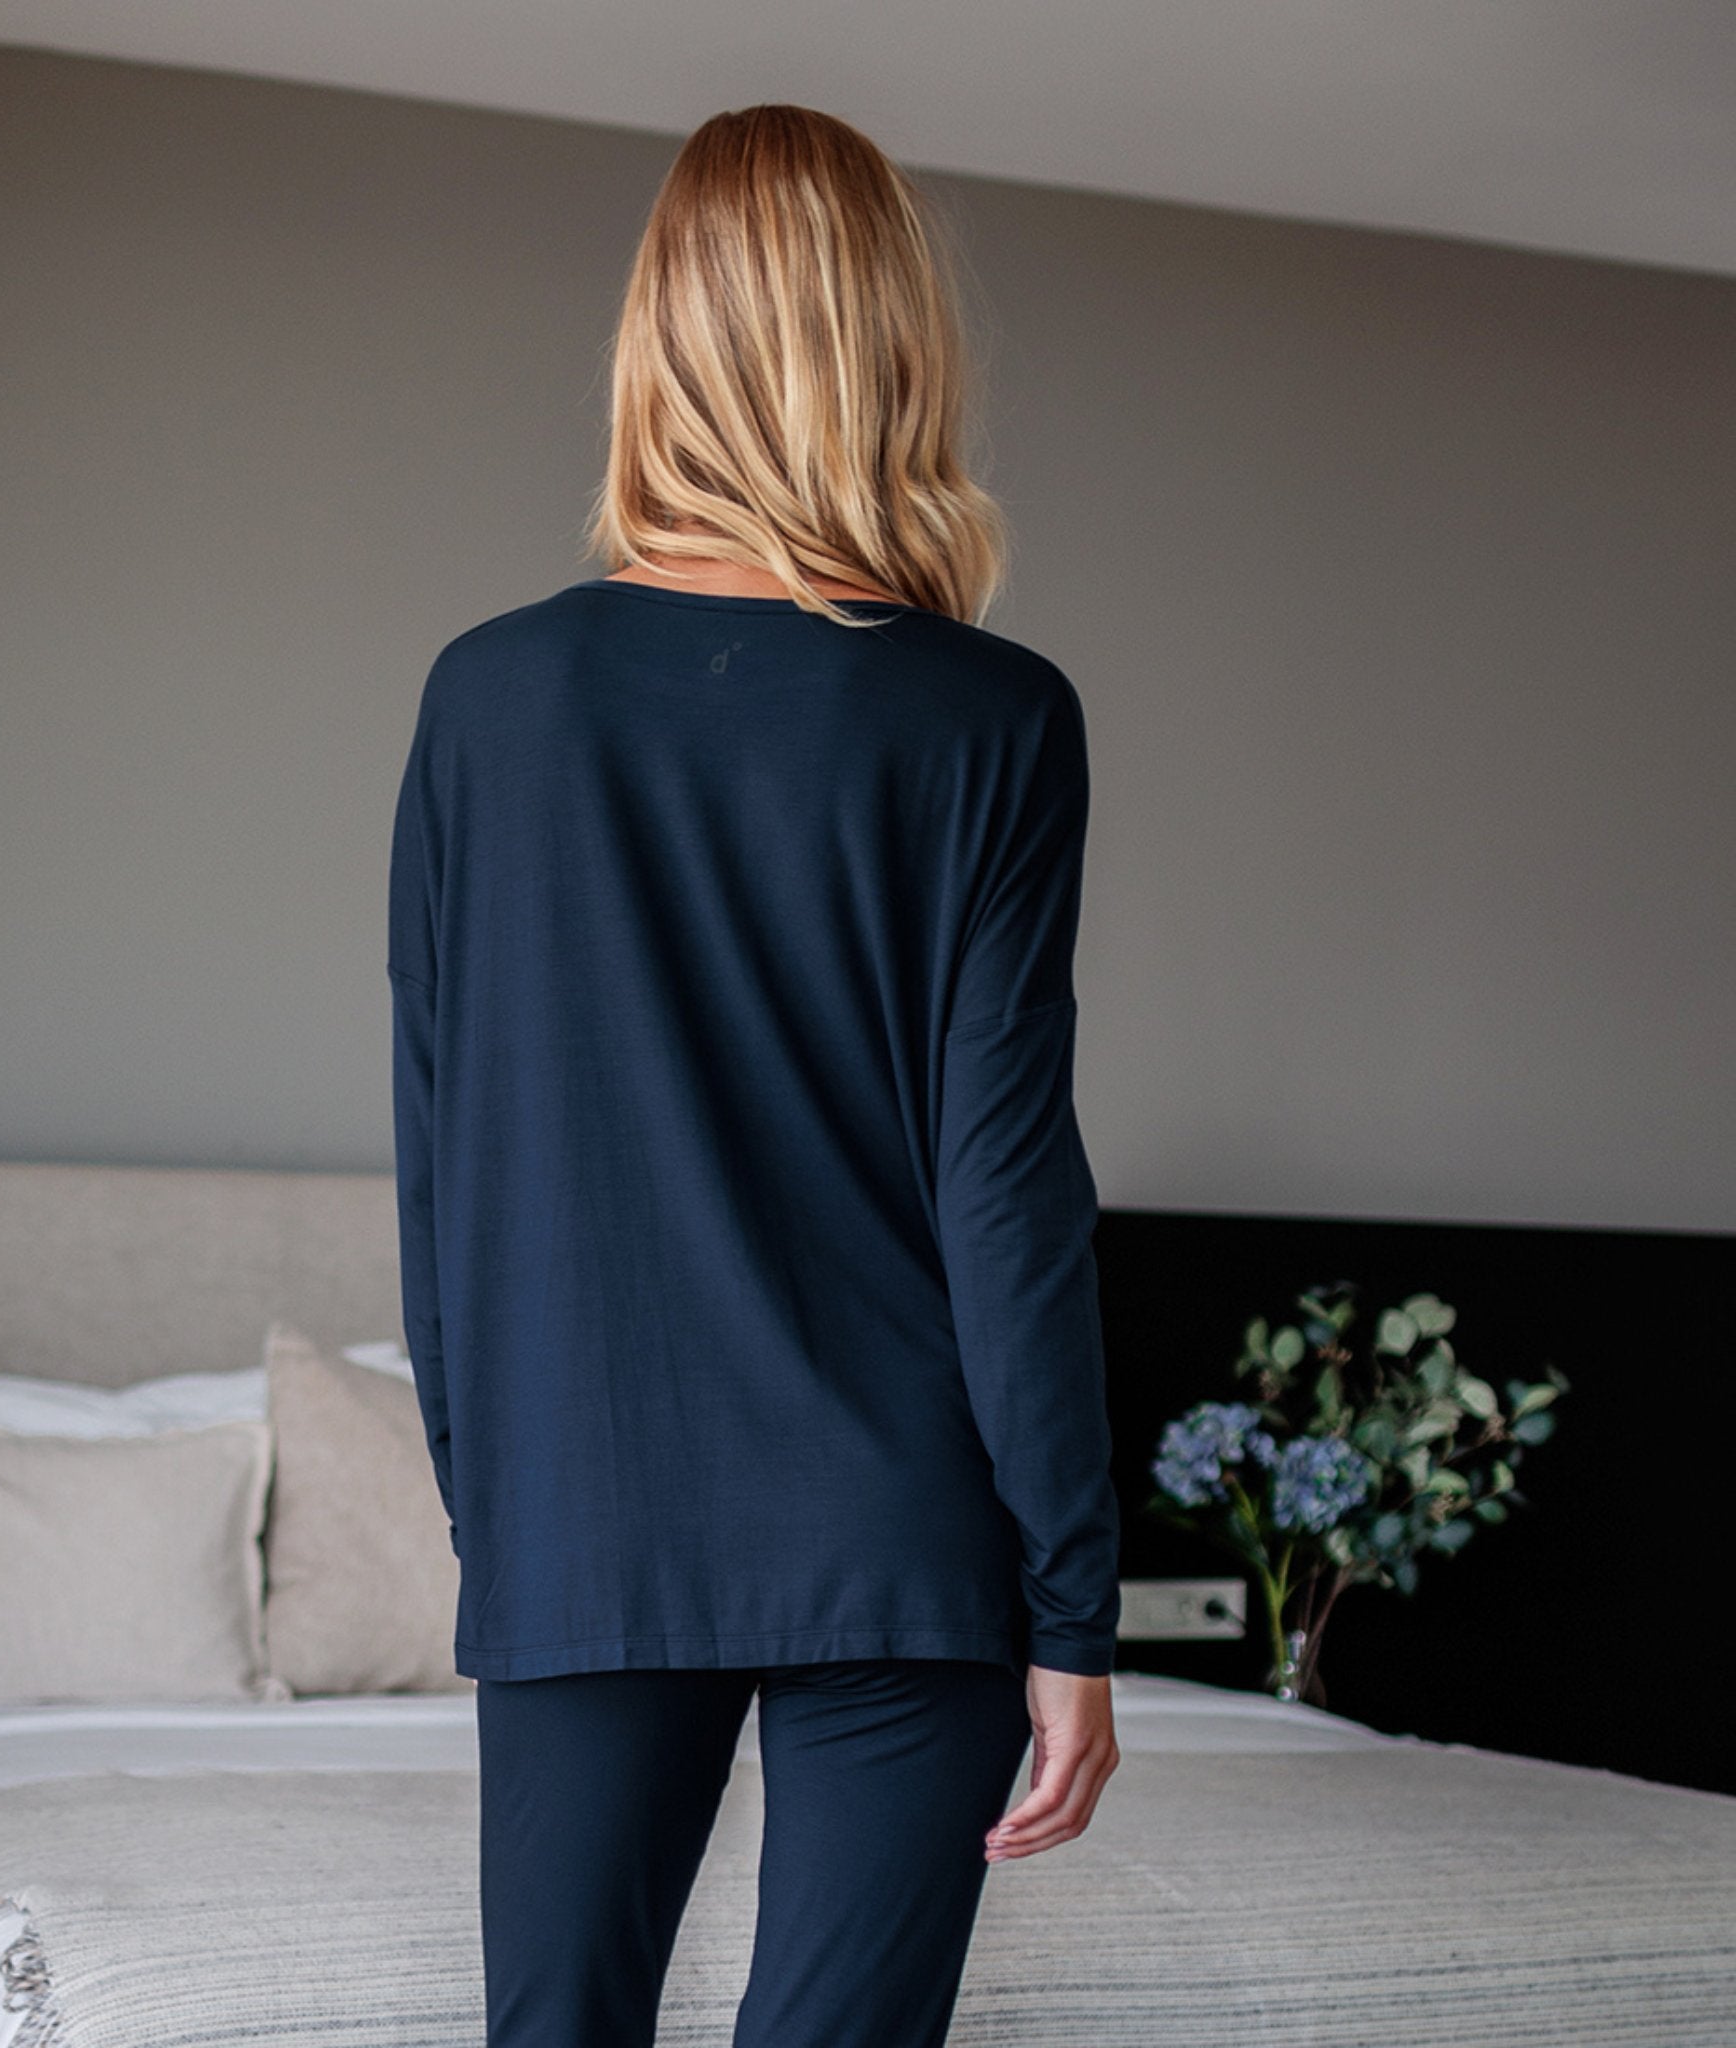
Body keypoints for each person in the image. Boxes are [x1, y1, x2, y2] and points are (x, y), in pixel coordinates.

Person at [387, 102, 1121, 2048]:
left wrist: (502, 1505)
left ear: (659, 339)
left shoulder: (489, 699)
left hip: (581, 1510)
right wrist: (1070, 1603)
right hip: (901, 1525)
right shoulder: (991, 718)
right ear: (894, 345)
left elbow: (446, 1164)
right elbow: (1008, 1191)